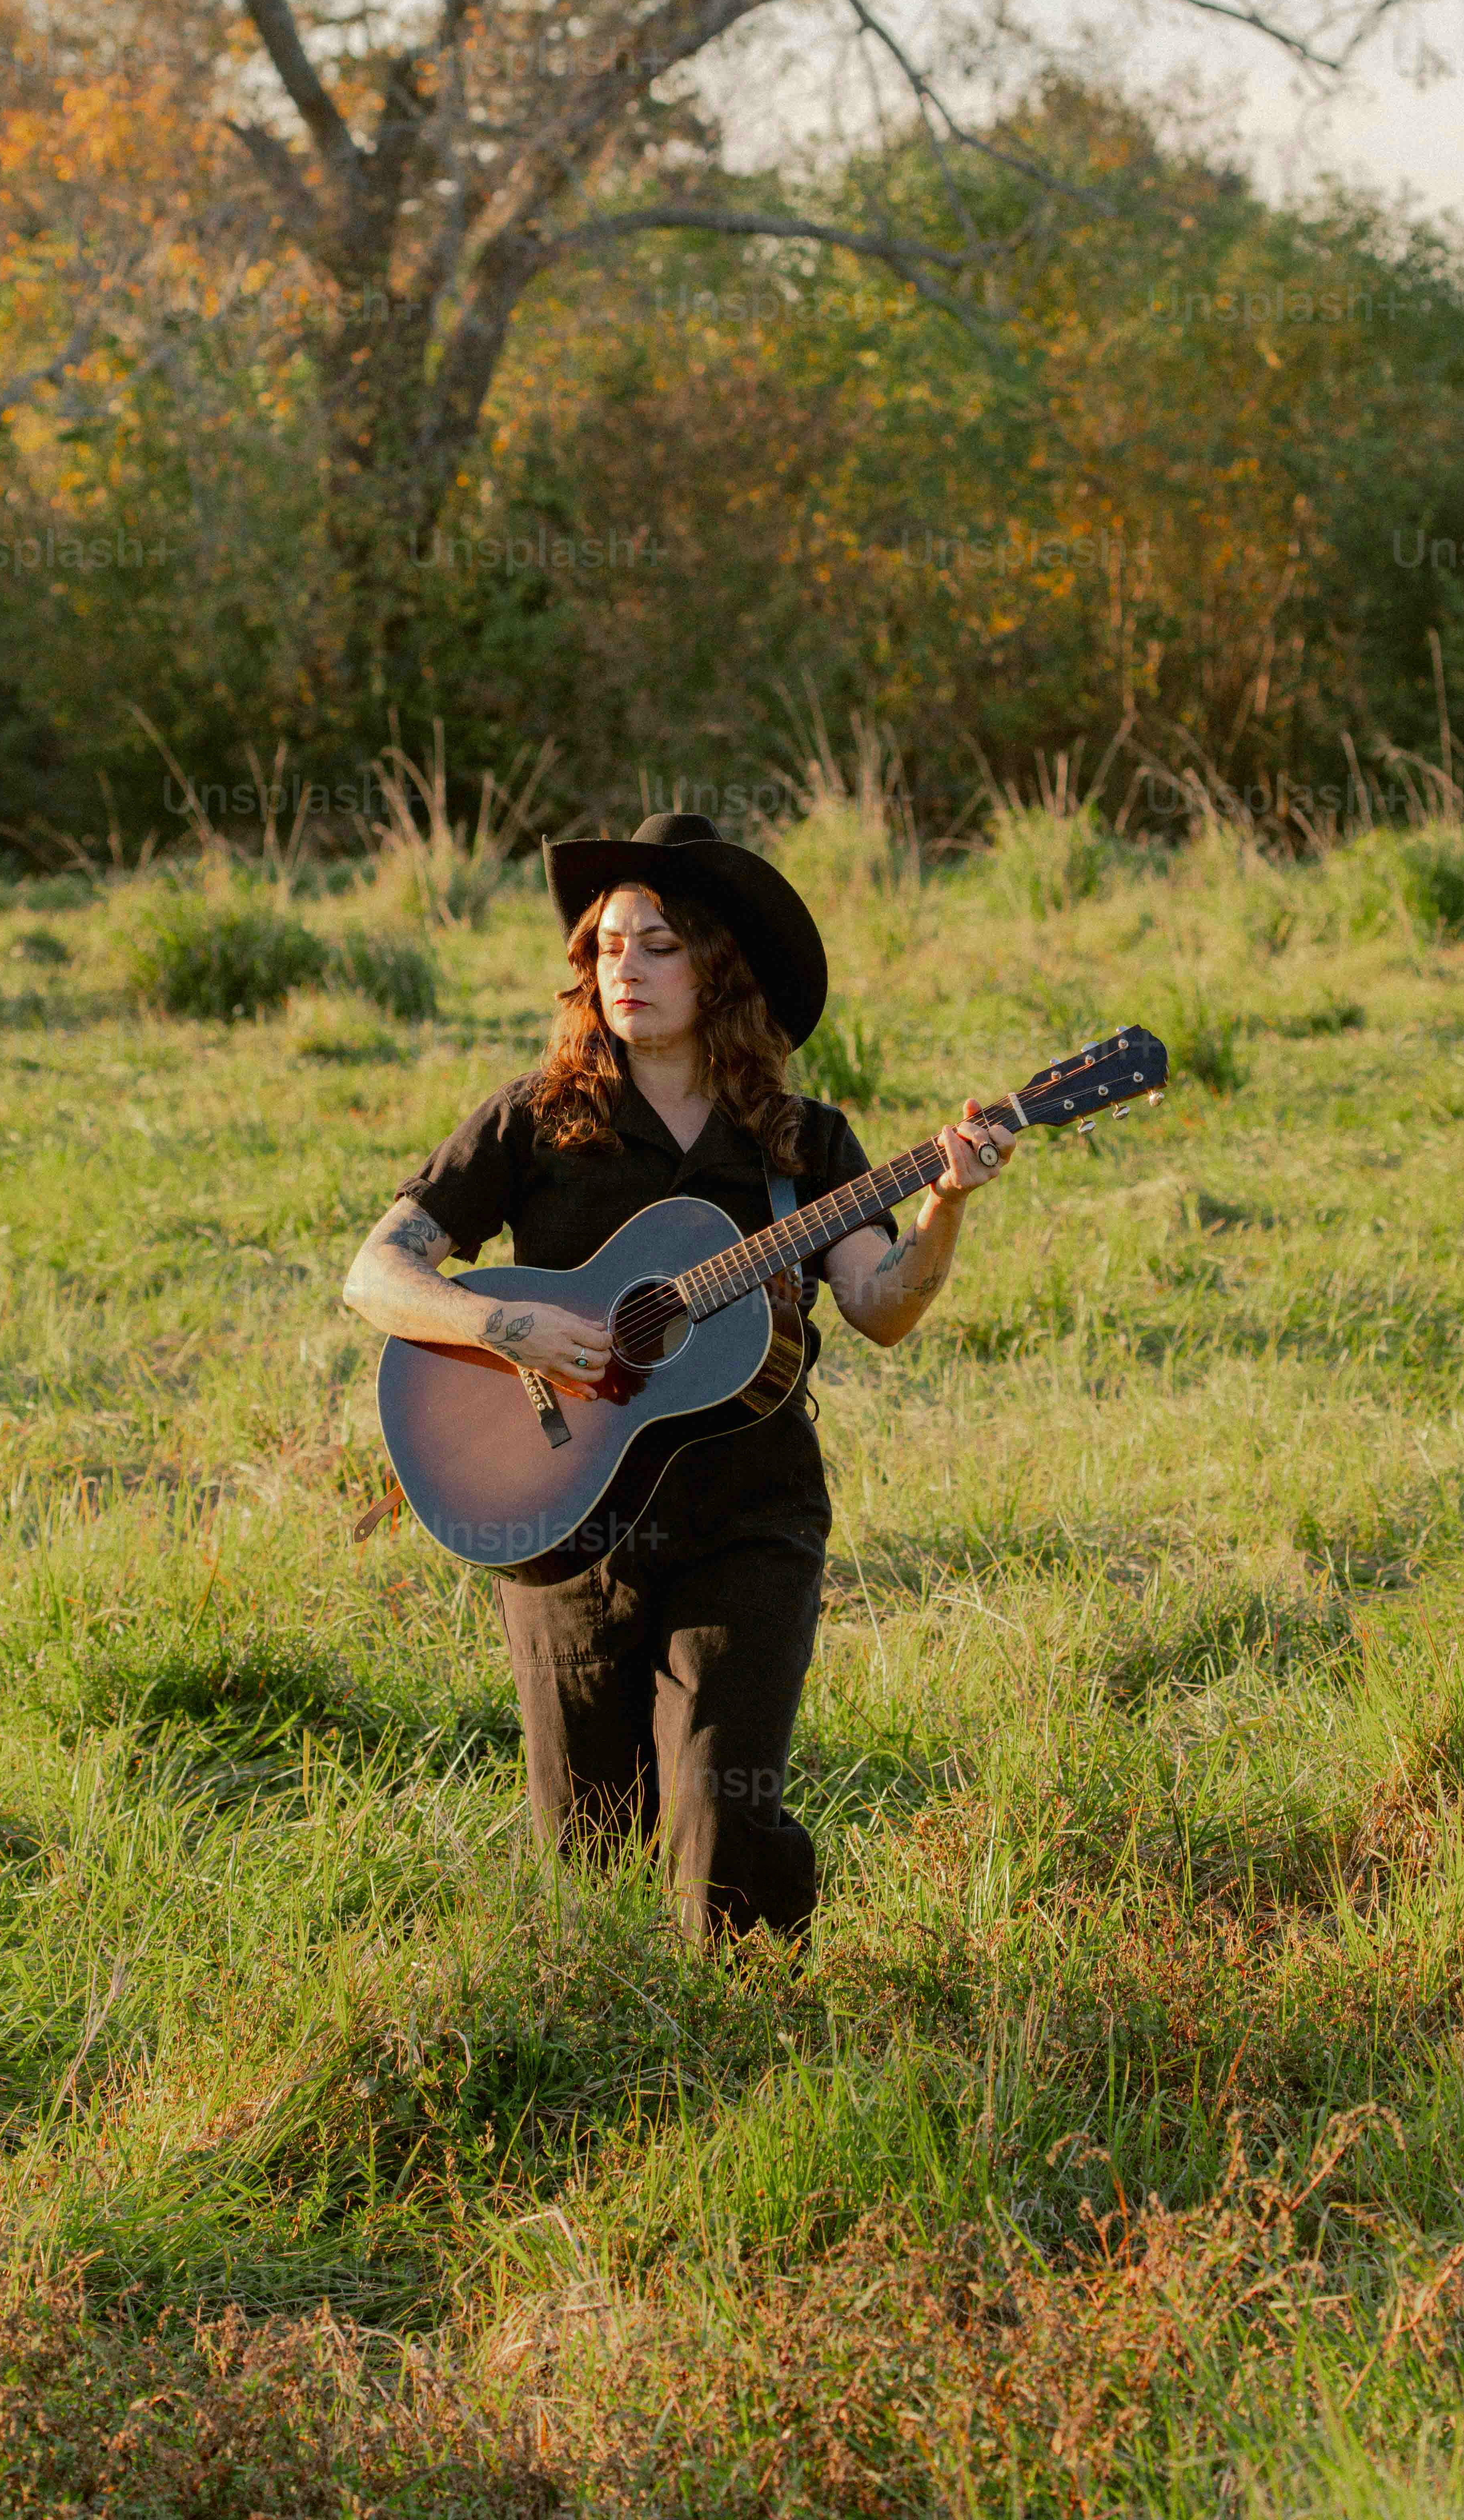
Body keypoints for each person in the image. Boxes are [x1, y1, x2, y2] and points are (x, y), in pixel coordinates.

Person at [339, 809, 1012, 1945]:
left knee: (720, 1825)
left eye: (657, 945)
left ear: (720, 966)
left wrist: (944, 1203)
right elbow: (378, 1272)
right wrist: (505, 1323)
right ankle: (619, 2070)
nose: (626, 970)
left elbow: (882, 1307)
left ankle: (754, 2062)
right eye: (608, 946)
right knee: (588, 1845)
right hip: (561, 1521)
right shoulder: (533, 1120)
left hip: (749, 1518)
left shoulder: (801, 1140)